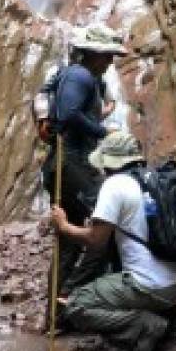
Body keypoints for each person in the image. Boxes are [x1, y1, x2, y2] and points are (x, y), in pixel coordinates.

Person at [50, 131, 176, 351]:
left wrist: (64, 225)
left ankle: (145, 326)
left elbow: (95, 240)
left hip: (150, 286)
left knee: (77, 305)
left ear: (109, 163)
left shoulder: (115, 185)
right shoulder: (153, 179)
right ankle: (168, 315)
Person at [43, 25, 126, 315]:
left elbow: (66, 112)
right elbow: (67, 114)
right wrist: (102, 132)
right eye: (107, 56)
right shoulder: (80, 75)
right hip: (72, 164)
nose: (110, 62)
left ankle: (57, 313)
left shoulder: (76, 76)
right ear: (93, 54)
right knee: (109, 225)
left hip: (64, 164)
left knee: (69, 240)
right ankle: (74, 297)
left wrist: (97, 116)